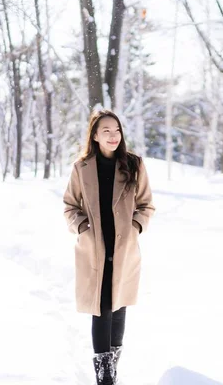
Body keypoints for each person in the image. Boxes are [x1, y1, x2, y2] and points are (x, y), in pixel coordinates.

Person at [63, 109, 155, 385]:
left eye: (116, 130)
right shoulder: (82, 168)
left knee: (118, 305)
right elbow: (70, 206)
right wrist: (83, 229)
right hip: (94, 249)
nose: (113, 136)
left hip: (124, 248)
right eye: (106, 130)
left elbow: (146, 205)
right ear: (94, 135)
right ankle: (104, 374)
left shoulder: (134, 165)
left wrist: (135, 227)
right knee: (101, 306)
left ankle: (112, 365)